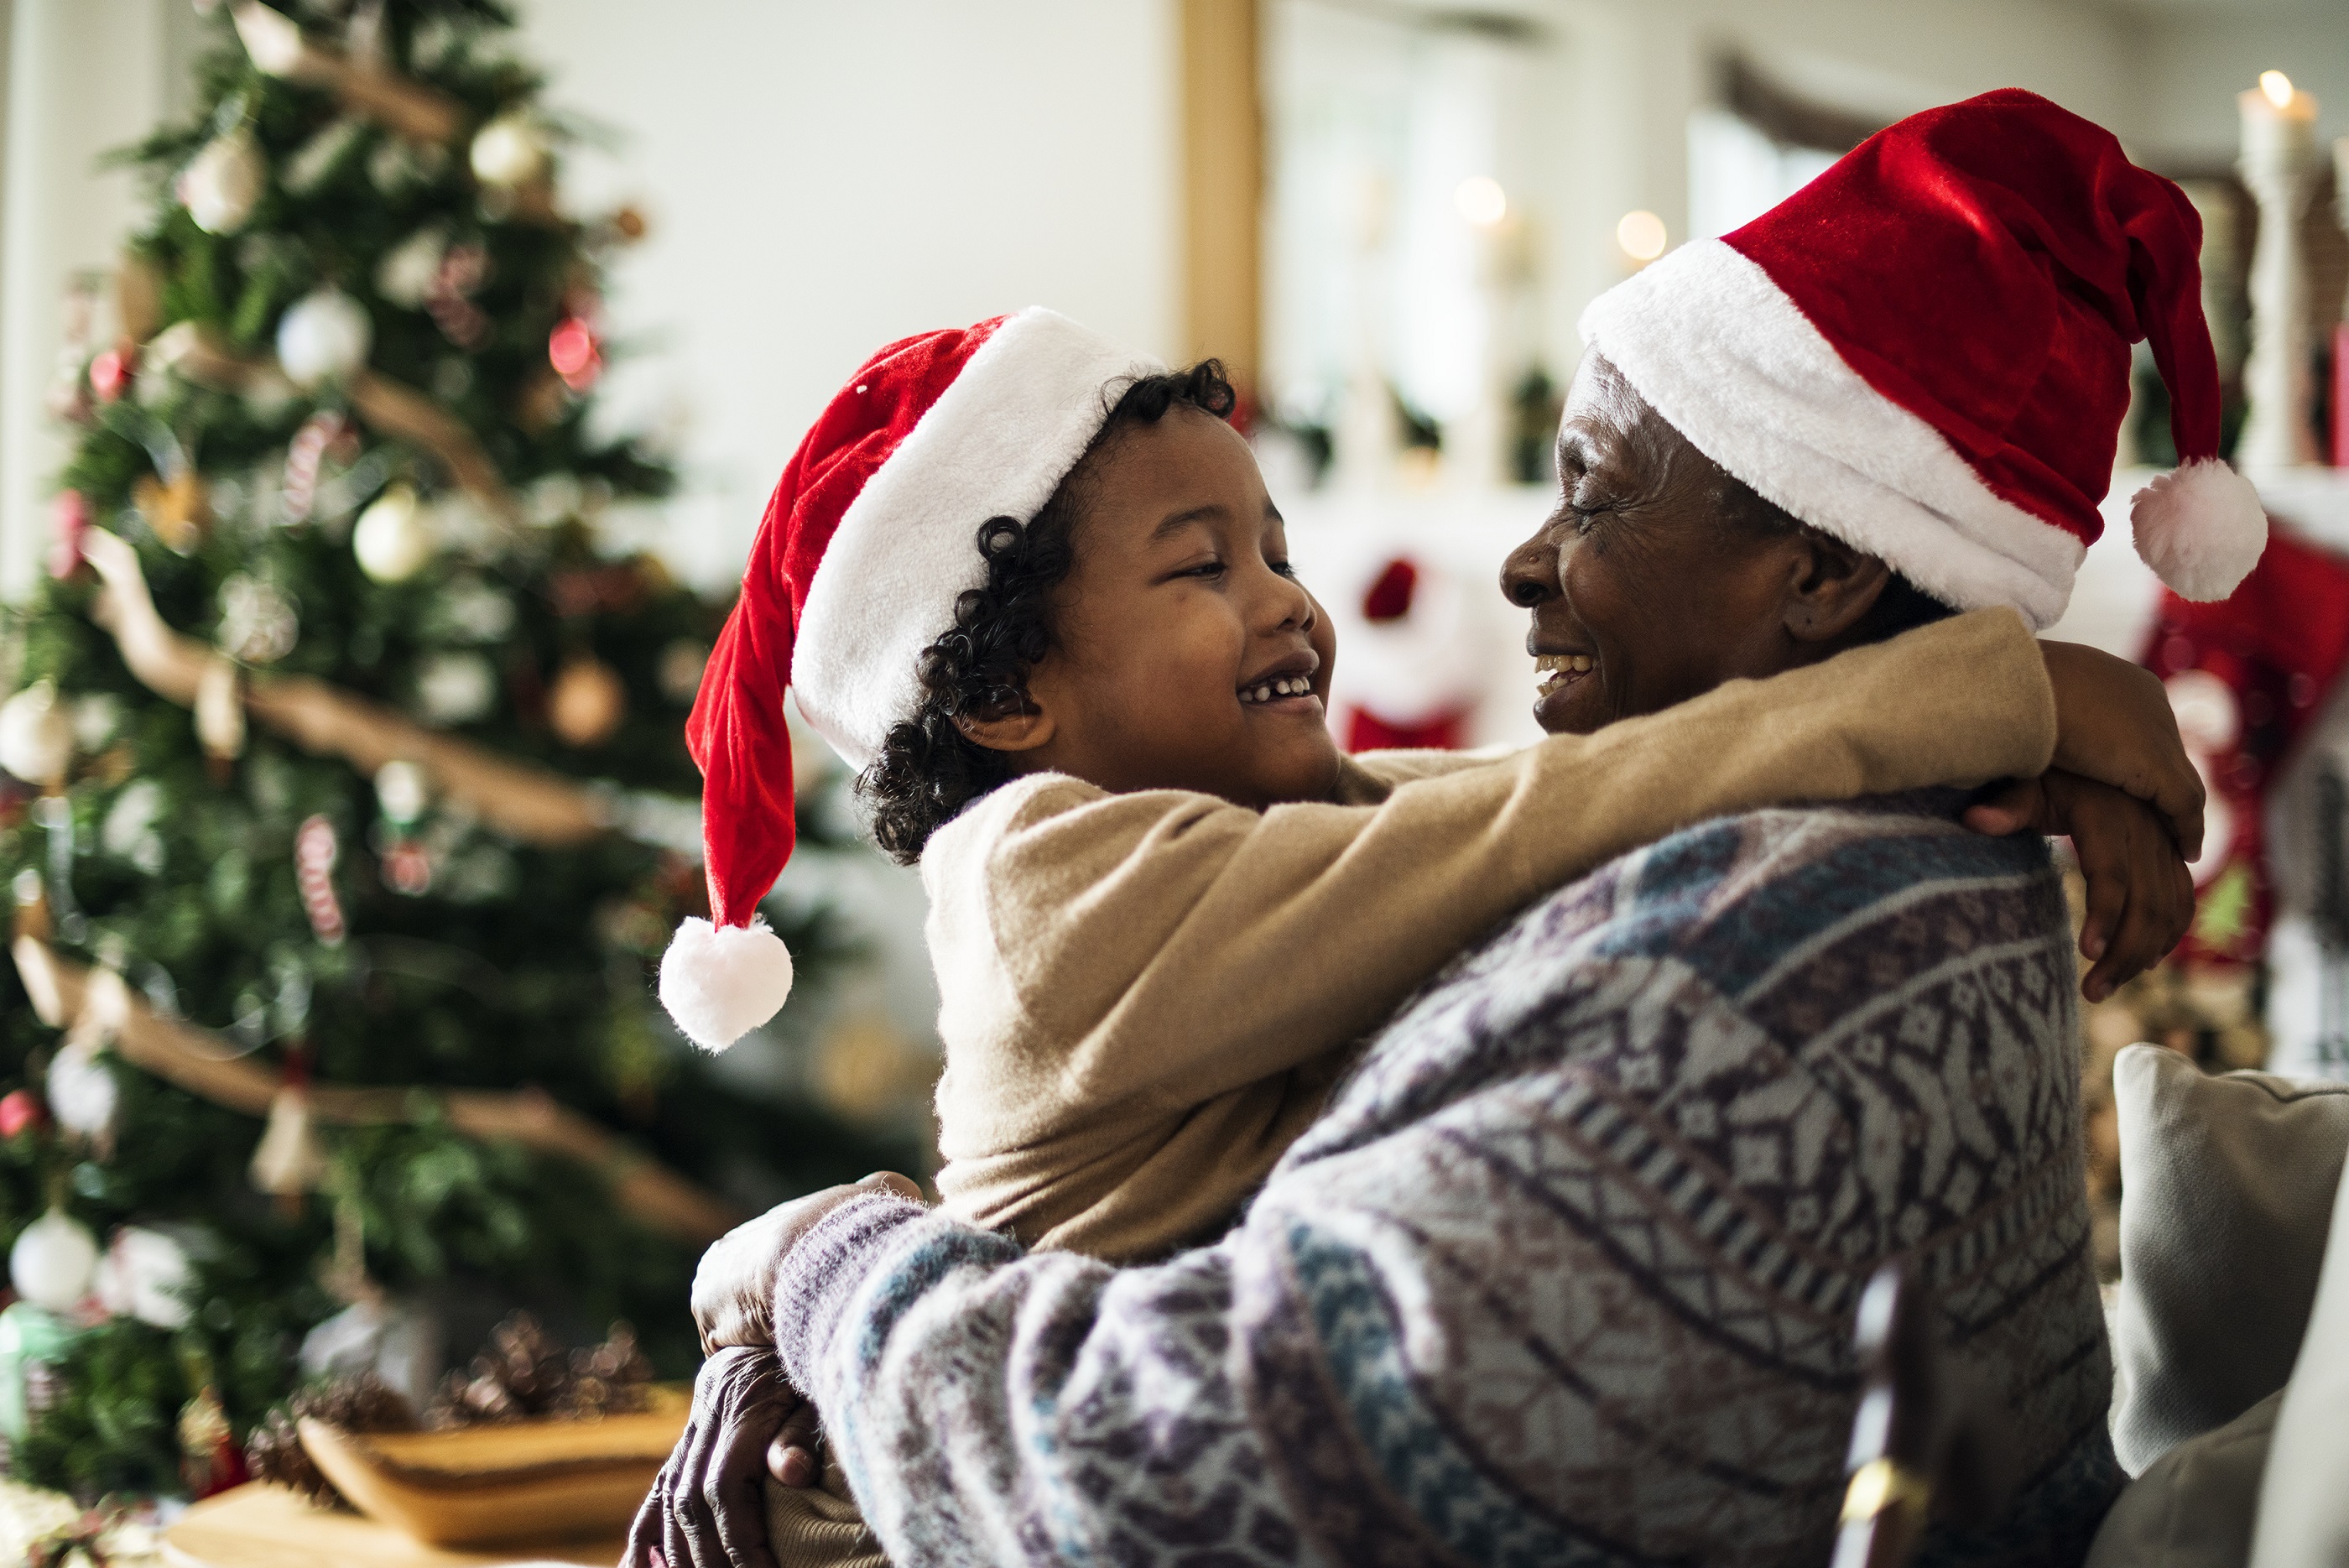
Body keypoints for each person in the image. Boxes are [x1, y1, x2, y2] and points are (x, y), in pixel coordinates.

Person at [642, 90, 2256, 1568]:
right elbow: (1528, 821)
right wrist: (1997, 692)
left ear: (1822, 578)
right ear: (1007, 702)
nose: (1291, 596)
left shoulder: (1739, 972)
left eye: (1596, 489)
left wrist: (819, 1263)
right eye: (1203, 567)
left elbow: (1500, 817)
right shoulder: (1041, 880)